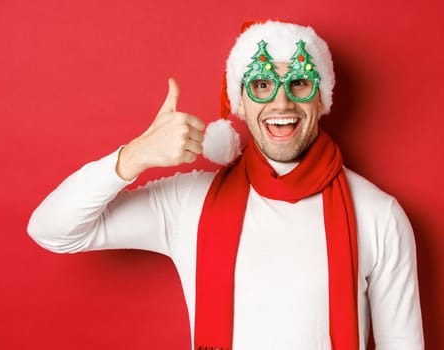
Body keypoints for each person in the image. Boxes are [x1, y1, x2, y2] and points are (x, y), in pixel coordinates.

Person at [27, 20, 424, 350]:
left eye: (300, 83)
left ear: (322, 99)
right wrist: (134, 156)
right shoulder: (189, 202)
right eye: (263, 85)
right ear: (240, 101)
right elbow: (52, 230)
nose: (282, 103)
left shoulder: (377, 215)